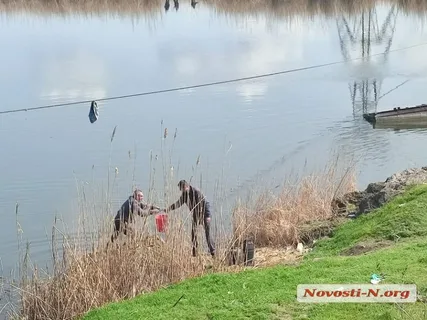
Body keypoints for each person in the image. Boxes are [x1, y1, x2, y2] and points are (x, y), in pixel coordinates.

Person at [162, 180, 215, 257]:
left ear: (186, 186)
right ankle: (194, 253)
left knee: (207, 233)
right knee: (193, 233)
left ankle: (213, 251)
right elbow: (178, 204)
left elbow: (203, 204)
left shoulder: (196, 192)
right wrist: (168, 209)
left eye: (182, 189)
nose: (181, 191)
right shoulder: (184, 195)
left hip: (204, 213)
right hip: (195, 214)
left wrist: (207, 217)